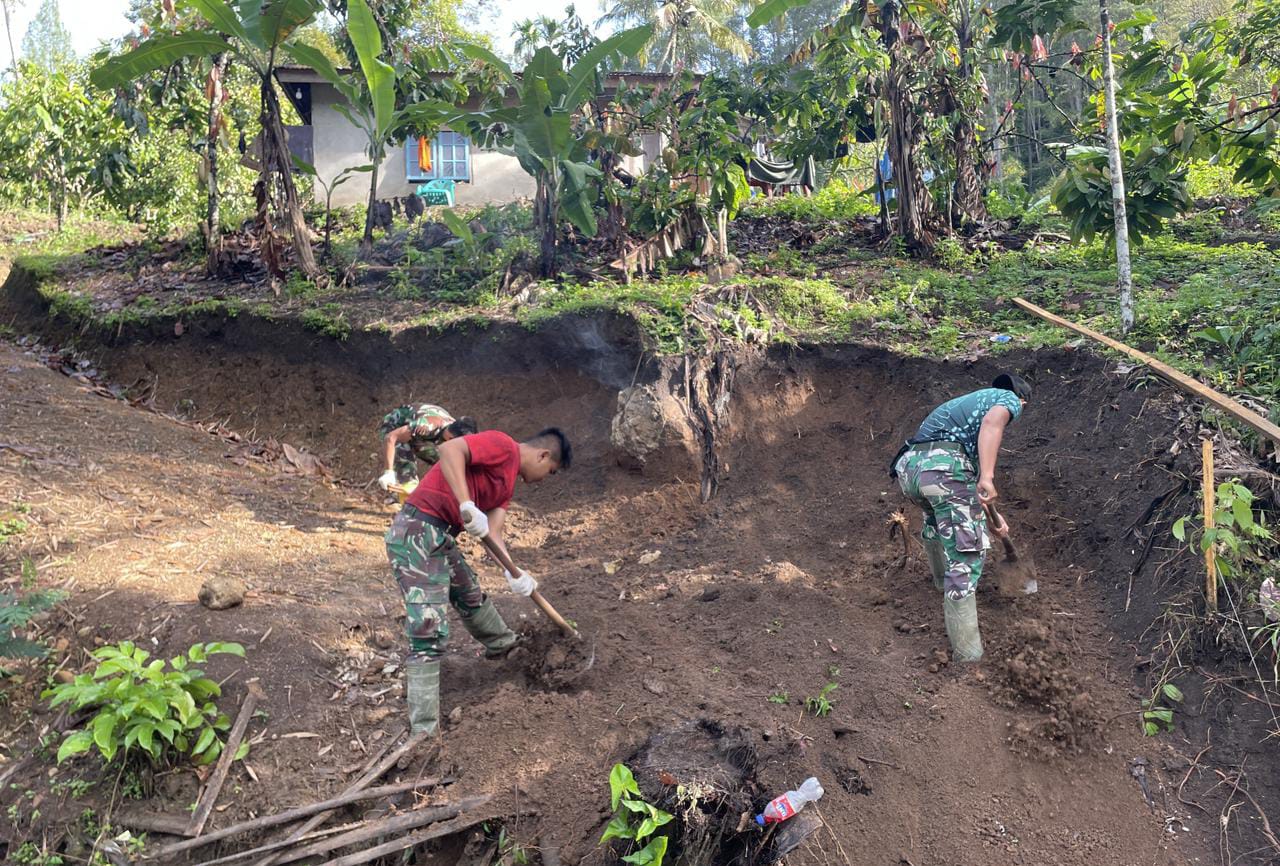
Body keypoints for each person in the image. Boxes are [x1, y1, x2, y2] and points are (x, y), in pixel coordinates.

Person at [384, 427, 572, 734]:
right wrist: (465, 503)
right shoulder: (503, 446)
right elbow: (450, 450)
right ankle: (425, 730)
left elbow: (493, 535)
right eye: (549, 472)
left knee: (469, 594)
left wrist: (516, 574)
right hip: (416, 530)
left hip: (440, 536)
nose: (542, 479)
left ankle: (507, 650)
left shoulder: (506, 487)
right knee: (428, 631)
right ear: (542, 455)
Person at [890, 373, 1032, 662]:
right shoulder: (1006, 401)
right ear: (1021, 401)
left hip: (911, 470)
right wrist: (989, 476)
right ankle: (968, 656)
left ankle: (942, 581)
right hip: (944, 468)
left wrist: (992, 515)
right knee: (968, 554)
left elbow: (971, 487)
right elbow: (993, 426)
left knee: (938, 521)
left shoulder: (965, 408)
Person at [376, 404, 477, 490]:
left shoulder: (455, 429)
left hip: (420, 435)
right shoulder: (427, 425)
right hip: (395, 425)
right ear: (451, 437)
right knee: (406, 469)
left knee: (445, 461)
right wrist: (388, 472)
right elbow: (391, 437)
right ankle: (401, 498)